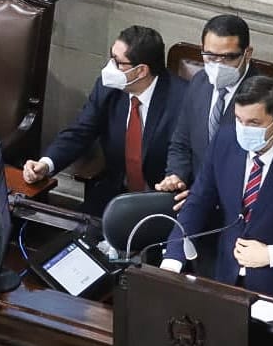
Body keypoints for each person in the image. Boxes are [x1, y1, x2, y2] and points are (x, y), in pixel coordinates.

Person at [161, 75, 273, 318]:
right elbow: (197, 202)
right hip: (224, 281)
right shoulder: (225, 140)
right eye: (239, 120)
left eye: (254, 123)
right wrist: (173, 259)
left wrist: (272, 254)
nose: (243, 129)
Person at [156, 14, 273, 276]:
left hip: (242, 220)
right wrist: (176, 175)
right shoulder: (199, 83)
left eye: (228, 57)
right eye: (210, 56)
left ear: (247, 53)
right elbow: (181, 142)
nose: (218, 64)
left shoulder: (272, 101)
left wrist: (209, 193)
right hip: (195, 207)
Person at [22, 26, 187, 216]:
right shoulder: (108, 87)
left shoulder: (183, 99)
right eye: (111, 56)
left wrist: (175, 180)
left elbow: (187, 156)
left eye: (117, 62)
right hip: (115, 194)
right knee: (72, 237)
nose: (109, 67)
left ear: (141, 71)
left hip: (162, 203)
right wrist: (45, 164)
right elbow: (80, 132)